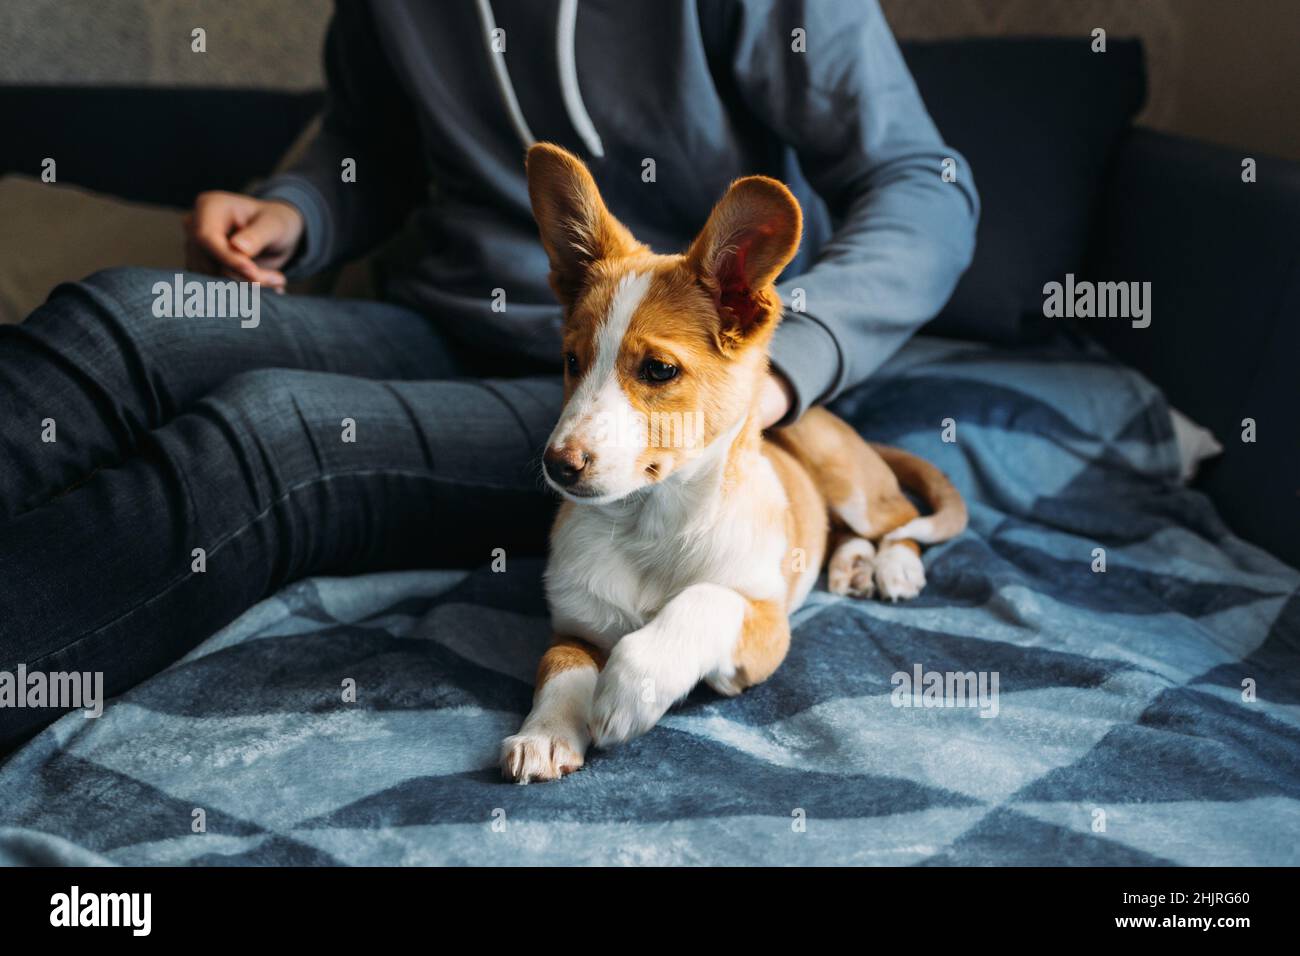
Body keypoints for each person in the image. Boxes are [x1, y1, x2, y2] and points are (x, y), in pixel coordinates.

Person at [0, 0, 977, 748]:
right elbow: (370, 143)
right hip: (443, 320)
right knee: (123, 315)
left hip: (640, 395)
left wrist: (772, 378)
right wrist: (299, 210)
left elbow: (923, 187)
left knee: (270, 437)